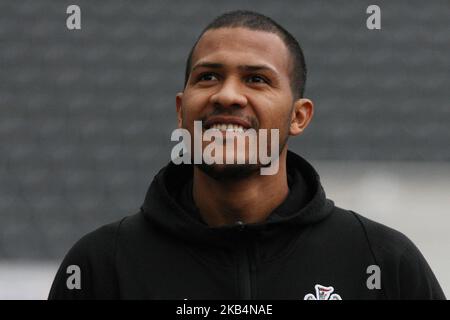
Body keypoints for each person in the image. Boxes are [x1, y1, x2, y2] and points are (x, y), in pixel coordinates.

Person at [48, 10, 445, 300]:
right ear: (181, 109)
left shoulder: (382, 262)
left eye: (256, 79)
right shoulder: (102, 266)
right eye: (208, 77)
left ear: (299, 116)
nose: (227, 95)